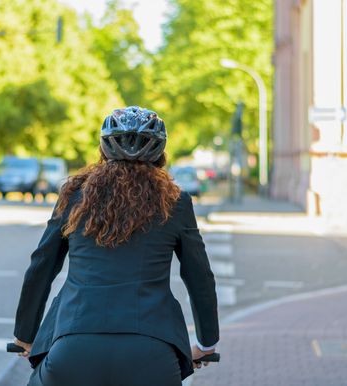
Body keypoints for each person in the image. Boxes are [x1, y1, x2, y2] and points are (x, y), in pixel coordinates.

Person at [12, 106, 219, 386]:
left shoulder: (74, 196)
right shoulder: (176, 203)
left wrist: (24, 335)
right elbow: (200, 278)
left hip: (74, 347)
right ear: (160, 155)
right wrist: (206, 345)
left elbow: (41, 267)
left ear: (102, 149)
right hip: (153, 353)